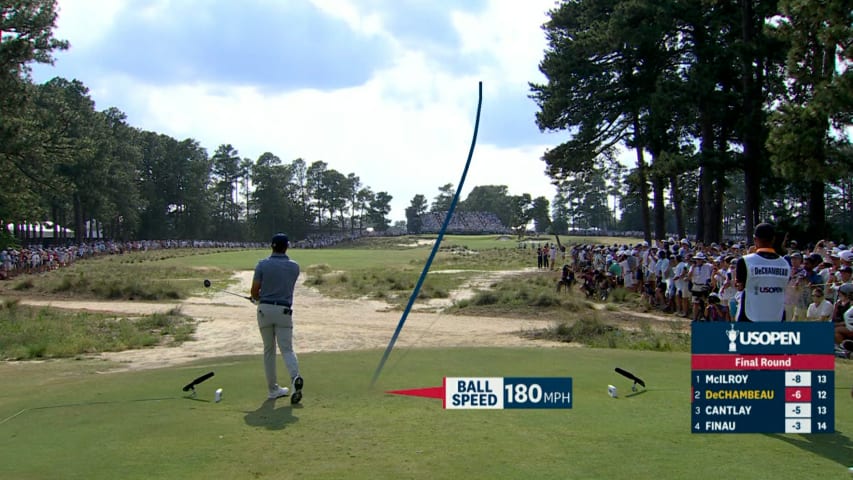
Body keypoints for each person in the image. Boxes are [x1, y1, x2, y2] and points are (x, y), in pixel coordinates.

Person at [251, 233, 305, 404]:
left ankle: (273, 389)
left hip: (264, 310)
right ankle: (295, 378)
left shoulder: (262, 265)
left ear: (271, 246)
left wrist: (257, 298)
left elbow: (254, 292)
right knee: (287, 349)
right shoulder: (294, 267)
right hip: (284, 310)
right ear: (287, 246)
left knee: (269, 350)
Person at [734, 223, 791, 322]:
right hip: (776, 316)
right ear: (773, 239)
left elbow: (740, 286)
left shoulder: (745, 261)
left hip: (750, 315)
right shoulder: (785, 263)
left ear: (755, 239)